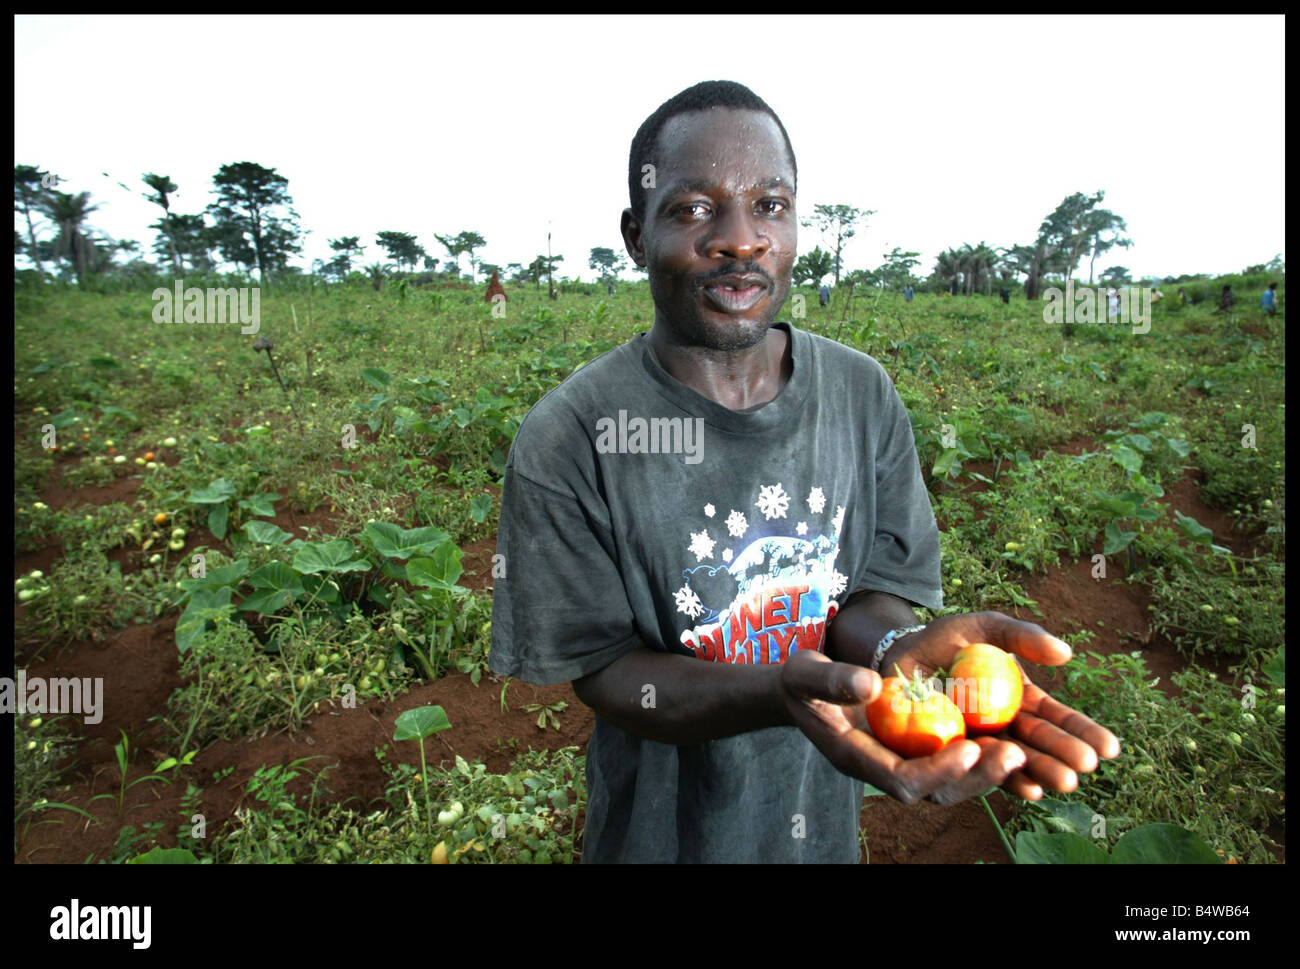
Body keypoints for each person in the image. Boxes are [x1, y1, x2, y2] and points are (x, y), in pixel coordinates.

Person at [488, 80, 1120, 864]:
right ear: (634, 235)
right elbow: (606, 672)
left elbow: (867, 594)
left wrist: (894, 647)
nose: (741, 240)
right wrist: (784, 690)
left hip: (814, 829)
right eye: (693, 210)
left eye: (770, 206)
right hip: (657, 837)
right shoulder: (571, 435)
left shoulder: (861, 393)